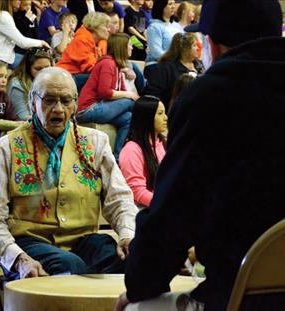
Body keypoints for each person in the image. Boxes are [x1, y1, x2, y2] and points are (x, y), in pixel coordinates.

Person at [114, 1, 285, 310]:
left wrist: (139, 285)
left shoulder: (209, 97)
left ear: (214, 47)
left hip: (240, 295)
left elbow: (173, 215)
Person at [0, 67, 138, 279]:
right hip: (30, 246)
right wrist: (18, 259)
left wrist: (127, 235)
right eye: (49, 100)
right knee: (70, 266)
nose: (59, 109)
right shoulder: (6, 147)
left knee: (127, 261)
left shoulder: (95, 142)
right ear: (32, 103)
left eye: (66, 100)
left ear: (76, 104)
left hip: (84, 242)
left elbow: (120, 200)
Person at [76, 33, 143, 161]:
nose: (131, 48)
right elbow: (105, 92)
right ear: (121, 47)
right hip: (88, 109)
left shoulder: (116, 65)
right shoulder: (108, 64)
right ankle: (141, 141)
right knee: (132, 102)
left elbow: (121, 90)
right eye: (129, 45)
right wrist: (131, 95)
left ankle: (117, 158)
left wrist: (131, 90)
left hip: (101, 106)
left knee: (128, 118)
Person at [118, 96, 167, 208]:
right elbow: (137, 191)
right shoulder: (132, 150)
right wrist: (165, 204)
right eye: (160, 113)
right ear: (147, 117)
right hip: (145, 210)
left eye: (164, 113)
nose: (165, 118)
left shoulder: (165, 143)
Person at [143, 32, 202, 111]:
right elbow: (152, 93)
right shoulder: (166, 68)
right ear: (184, 48)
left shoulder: (200, 66)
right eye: (194, 45)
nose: (198, 48)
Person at [0, 0, 50, 69]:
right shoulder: (3, 16)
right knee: (36, 65)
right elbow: (22, 42)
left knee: (36, 61)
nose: (20, 1)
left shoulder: (1, 14)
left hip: (7, 57)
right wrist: (42, 43)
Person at [56, 12, 111, 92]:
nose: (109, 30)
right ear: (95, 27)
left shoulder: (97, 41)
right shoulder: (82, 40)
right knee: (102, 77)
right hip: (65, 78)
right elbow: (90, 67)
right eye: (106, 26)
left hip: (76, 75)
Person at [7, 47, 53, 121]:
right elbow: (22, 117)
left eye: (47, 68)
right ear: (28, 69)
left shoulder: (54, 81)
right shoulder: (17, 84)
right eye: (38, 69)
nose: (44, 72)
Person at [144, 0, 181, 79]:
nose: (173, 6)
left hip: (174, 64)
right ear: (161, 7)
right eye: (170, 4)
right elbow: (156, 53)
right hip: (157, 65)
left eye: (174, 4)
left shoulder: (177, 26)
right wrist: (175, 60)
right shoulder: (154, 27)